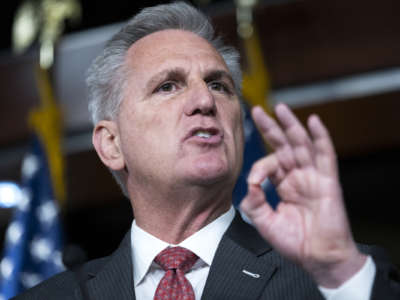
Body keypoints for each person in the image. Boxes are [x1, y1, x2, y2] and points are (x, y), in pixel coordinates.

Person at [14, 2, 399, 300]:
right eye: (168, 86)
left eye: (219, 85)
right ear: (111, 145)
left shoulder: (332, 277)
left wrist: (339, 272)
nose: (204, 100)